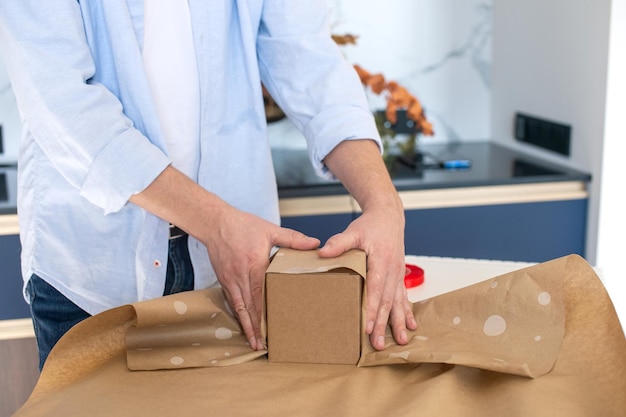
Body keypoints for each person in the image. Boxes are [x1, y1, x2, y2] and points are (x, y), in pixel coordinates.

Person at [0, 0, 416, 369]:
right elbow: (64, 105)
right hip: (94, 272)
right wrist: (217, 224)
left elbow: (307, 60)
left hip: (234, 271)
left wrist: (383, 203)